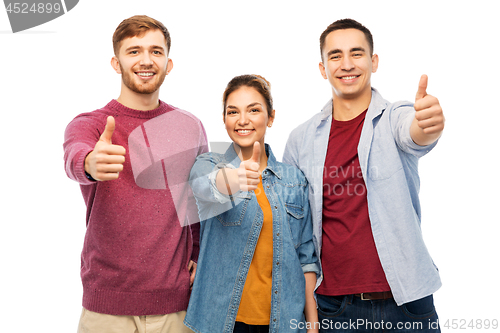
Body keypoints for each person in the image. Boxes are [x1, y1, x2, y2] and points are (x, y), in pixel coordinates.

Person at [283, 19, 445, 332]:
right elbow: (295, 232)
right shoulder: (300, 139)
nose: (346, 64)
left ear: (373, 62)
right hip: (332, 308)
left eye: (356, 54)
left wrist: (426, 125)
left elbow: (414, 133)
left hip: (408, 306)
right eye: (335, 56)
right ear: (322, 68)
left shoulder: (394, 116)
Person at [63, 15, 207, 333]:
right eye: (134, 51)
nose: (146, 60)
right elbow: (75, 155)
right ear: (116, 62)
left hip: (177, 307)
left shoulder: (190, 125)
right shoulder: (91, 124)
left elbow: (198, 200)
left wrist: (197, 251)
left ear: (169, 63)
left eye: (156, 51)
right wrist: (89, 163)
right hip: (106, 310)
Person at [184, 75, 320, 333]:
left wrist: (312, 325)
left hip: (284, 323)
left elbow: (306, 259)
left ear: (270, 117)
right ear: (224, 119)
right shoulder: (209, 164)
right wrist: (235, 179)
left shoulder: (293, 179)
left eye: (254, 110)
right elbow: (205, 187)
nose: (242, 120)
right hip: (222, 323)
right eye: (232, 111)